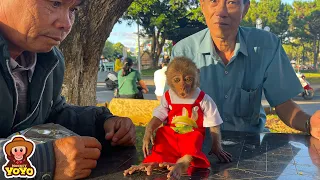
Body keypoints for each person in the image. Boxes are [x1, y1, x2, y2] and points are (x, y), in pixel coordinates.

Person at [0, 1, 136, 180]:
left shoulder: (49, 60)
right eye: (55, 3)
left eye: (73, 9)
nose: (66, 23)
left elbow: (52, 113)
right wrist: (40, 161)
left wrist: (101, 122)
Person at [171, 0, 320, 138]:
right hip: (198, 145)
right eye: (213, 1)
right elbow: (173, 111)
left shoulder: (267, 45)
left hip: (253, 144)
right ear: (202, 5)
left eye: (231, 2)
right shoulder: (183, 52)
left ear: (245, 9)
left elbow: (283, 104)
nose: (221, 12)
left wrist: (310, 124)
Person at [124, 57, 231, 179]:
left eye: (188, 79)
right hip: (172, 134)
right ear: (168, 80)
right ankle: (151, 161)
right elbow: (159, 116)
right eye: (177, 80)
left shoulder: (203, 98)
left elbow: (214, 123)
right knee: (162, 133)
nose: (183, 85)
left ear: (197, 75)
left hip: (191, 134)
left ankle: (183, 163)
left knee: (195, 137)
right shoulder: (168, 96)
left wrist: (216, 146)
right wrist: (148, 130)